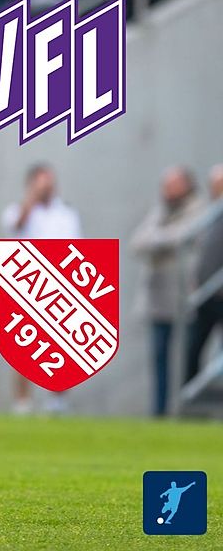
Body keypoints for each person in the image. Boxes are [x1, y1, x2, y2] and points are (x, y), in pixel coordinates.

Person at [1, 164, 81, 414]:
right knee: (23, 344)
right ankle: (22, 401)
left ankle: (58, 398)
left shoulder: (66, 213)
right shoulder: (19, 210)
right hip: (28, 283)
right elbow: (15, 226)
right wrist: (32, 199)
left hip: (59, 284)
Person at [130, 166, 205, 416]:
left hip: (185, 298)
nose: (167, 190)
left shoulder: (198, 209)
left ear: (186, 186)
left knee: (188, 356)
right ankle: (159, 411)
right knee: (160, 357)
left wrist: (158, 240)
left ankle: (187, 409)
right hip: (157, 298)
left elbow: (182, 237)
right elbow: (138, 241)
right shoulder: (160, 211)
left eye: (173, 185)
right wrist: (162, 239)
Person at [186, 164, 223, 383]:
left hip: (219, 294)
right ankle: (189, 396)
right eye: (215, 186)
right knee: (192, 351)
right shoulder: (209, 214)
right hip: (206, 296)